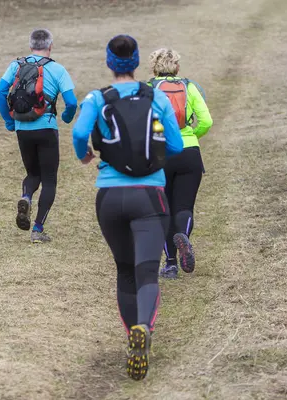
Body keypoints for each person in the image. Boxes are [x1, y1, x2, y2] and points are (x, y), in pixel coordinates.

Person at [72, 35, 183, 381]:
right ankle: (143, 329)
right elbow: (177, 144)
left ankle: (130, 338)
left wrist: (85, 154)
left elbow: (78, 132)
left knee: (124, 269)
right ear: (136, 62)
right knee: (147, 271)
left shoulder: (96, 98)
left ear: (109, 63)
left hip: (109, 197)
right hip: (150, 195)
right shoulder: (157, 96)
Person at [0, 29, 78, 243]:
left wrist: (9, 120)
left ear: (30, 45)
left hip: (23, 128)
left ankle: (25, 197)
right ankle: (38, 229)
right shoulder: (57, 69)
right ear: (50, 46)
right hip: (47, 128)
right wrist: (67, 117)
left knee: (33, 174)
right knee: (49, 179)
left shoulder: (16, 66)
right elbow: (71, 102)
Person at [147, 48, 213, 279]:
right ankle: (183, 236)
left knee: (163, 210)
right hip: (189, 152)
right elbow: (206, 121)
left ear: (154, 67)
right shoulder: (190, 87)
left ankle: (171, 264)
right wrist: (192, 135)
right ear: (177, 66)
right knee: (184, 207)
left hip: (160, 155)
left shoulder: (147, 89)